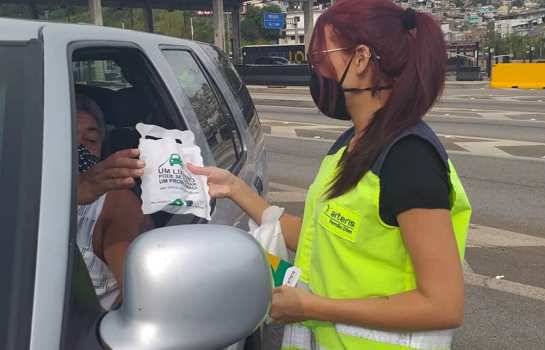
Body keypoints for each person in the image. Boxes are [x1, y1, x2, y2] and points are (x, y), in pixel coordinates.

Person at [188, 0, 472, 349]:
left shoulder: (409, 158)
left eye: (322, 54)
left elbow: (443, 305)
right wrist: (235, 188)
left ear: (362, 59)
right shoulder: (353, 144)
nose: (316, 67)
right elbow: (317, 237)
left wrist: (311, 307)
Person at [76, 94, 147, 310]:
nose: (77, 147)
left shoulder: (116, 202)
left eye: (90, 140)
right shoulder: (16, 187)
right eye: (65, 135)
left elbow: (141, 304)